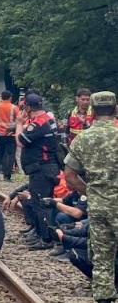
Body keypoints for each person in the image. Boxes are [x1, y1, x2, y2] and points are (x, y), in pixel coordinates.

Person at [63, 91, 118, 303]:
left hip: (98, 206)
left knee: (102, 256)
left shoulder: (82, 139)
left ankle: (104, 297)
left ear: (92, 111)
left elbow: (70, 176)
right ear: (115, 110)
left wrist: (91, 192)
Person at [17, 93, 61, 251]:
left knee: (40, 203)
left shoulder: (38, 124)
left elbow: (20, 140)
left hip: (41, 168)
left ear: (27, 107)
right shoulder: (49, 119)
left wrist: (19, 123)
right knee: (40, 202)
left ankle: (46, 239)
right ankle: (40, 233)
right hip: (47, 166)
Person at [0, 91, 20, 181]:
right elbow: (19, 119)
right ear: (10, 98)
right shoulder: (14, 108)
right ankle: (7, 176)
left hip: (0, 134)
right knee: (10, 155)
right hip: (11, 134)